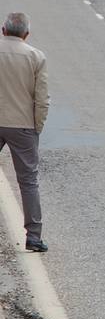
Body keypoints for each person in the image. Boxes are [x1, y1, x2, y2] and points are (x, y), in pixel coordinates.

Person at [0, 13, 50, 252]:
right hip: (22, 125)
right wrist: (37, 127)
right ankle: (33, 236)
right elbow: (42, 100)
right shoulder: (36, 57)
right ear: (26, 35)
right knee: (28, 181)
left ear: (3, 30)